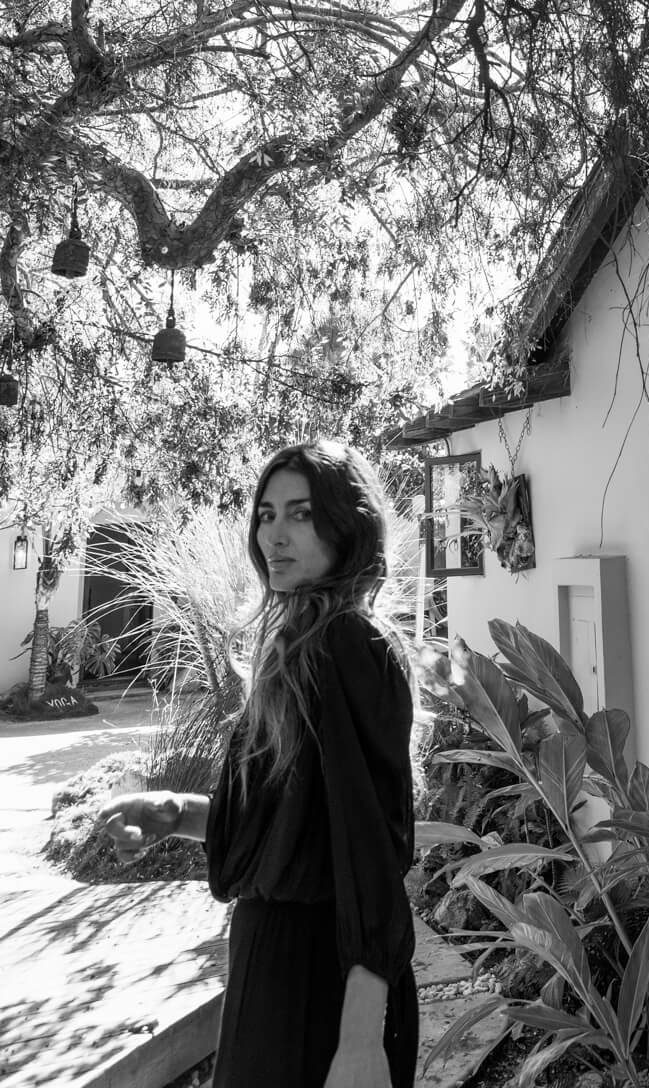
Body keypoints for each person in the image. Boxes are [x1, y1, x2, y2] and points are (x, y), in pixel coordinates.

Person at [98, 441, 419, 1088]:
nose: (274, 534)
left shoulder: (348, 642)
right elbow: (294, 830)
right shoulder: (297, 646)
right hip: (269, 967)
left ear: (347, 526)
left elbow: (370, 851)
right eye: (266, 515)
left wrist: (360, 1039)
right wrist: (174, 813)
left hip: (323, 985)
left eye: (301, 513)